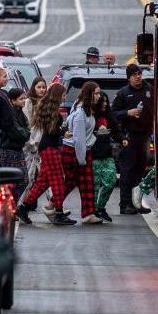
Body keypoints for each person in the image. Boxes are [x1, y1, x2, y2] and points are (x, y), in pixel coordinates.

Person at [15, 83, 75, 226]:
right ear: (58, 95)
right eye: (63, 94)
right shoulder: (53, 111)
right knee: (59, 180)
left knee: (43, 182)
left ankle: (23, 208)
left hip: (46, 147)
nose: (65, 97)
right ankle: (59, 212)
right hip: (50, 149)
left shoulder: (46, 108)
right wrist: (63, 132)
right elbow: (52, 131)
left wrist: (60, 131)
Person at [112, 64, 154, 214]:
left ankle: (137, 203)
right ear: (128, 78)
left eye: (139, 74)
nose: (138, 77)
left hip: (145, 137)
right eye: (134, 75)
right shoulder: (123, 93)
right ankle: (125, 204)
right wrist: (128, 113)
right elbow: (114, 114)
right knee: (127, 171)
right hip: (129, 137)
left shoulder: (149, 89)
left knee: (140, 171)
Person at [61, 81, 102, 224]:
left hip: (82, 151)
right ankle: (53, 204)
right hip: (76, 152)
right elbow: (79, 139)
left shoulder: (87, 109)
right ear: (90, 94)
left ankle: (88, 213)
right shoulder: (80, 113)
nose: (99, 96)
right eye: (96, 93)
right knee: (73, 182)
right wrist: (82, 158)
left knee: (85, 183)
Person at [91, 92, 125, 222]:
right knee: (94, 186)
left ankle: (100, 207)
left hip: (106, 154)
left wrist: (123, 140)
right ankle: (93, 211)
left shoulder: (109, 117)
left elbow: (116, 131)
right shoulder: (90, 116)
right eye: (102, 101)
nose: (105, 104)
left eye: (106, 101)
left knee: (110, 182)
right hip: (93, 154)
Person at [0, 88, 31, 213]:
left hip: (18, 150)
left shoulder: (20, 112)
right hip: (8, 150)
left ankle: (11, 205)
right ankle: (8, 208)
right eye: (21, 99)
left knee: (24, 180)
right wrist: (25, 133)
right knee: (10, 182)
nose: (24, 101)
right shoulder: (10, 113)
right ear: (12, 100)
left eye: (24, 98)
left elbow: (27, 129)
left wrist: (25, 133)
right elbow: (16, 131)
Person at [20, 77, 48, 209]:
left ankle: (30, 203)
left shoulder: (47, 103)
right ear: (33, 88)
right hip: (31, 143)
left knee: (43, 176)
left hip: (44, 144)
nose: (42, 90)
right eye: (39, 87)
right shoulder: (29, 102)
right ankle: (22, 203)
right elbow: (27, 122)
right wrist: (31, 141)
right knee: (29, 175)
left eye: (44, 87)